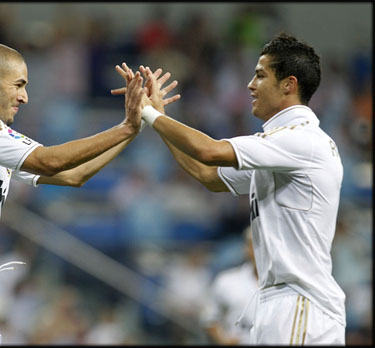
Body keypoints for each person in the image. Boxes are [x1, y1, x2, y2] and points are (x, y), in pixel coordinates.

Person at [0, 42, 179, 345]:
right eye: (19, 85)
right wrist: (125, 126)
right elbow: (49, 159)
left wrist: (134, 128)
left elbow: (73, 175)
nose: (25, 97)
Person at [116, 33, 346, 344]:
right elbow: (207, 174)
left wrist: (149, 113)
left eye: (261, 75)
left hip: (298, 303)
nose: (250, 85)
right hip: (285, 302)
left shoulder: (300, 139)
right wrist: (161, 118)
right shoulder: (284, 147)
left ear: (289, 84)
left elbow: (209, 151)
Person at [200, 227, 258, 345]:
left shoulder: (288, 283)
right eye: (255, 244)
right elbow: (209, 318)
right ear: (246, 248)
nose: (261, 250)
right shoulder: (227, 281)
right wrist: (223, 340)